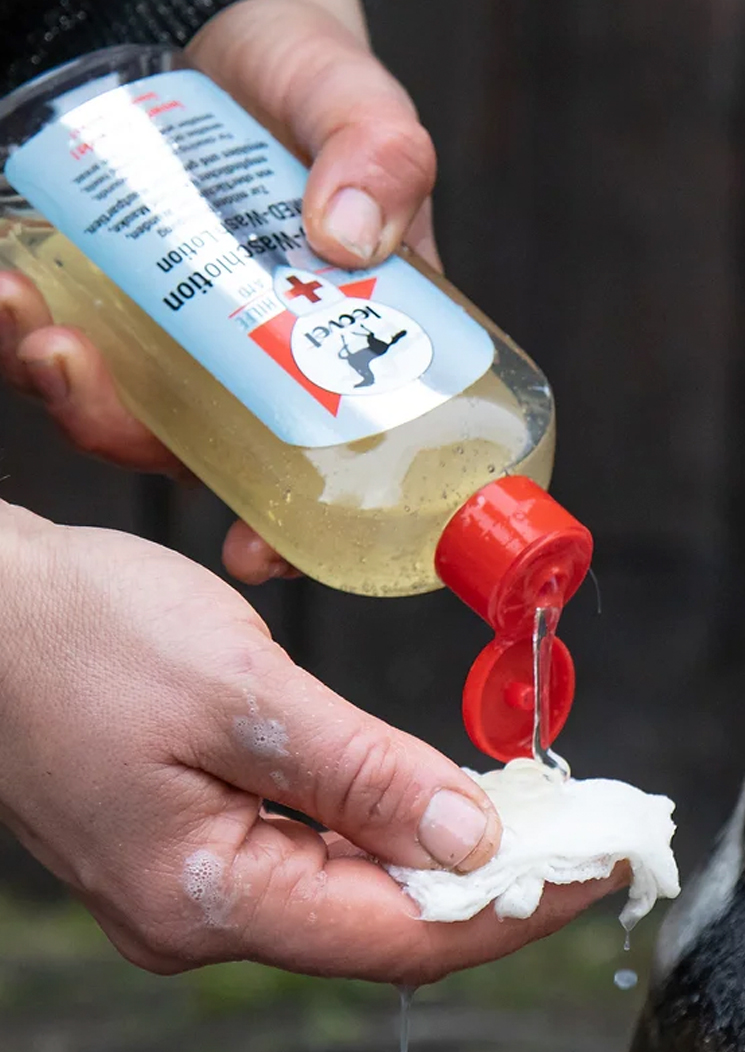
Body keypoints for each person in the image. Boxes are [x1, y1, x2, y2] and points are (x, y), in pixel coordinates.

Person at [0, 0, 624, 983]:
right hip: (66, 156)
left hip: (108, 111)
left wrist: (193, 14)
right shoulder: (497, 430)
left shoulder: (497, 433)